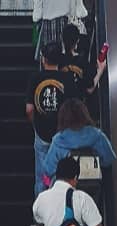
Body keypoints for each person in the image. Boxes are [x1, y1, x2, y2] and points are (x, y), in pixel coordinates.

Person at [25, 42, 79, 197]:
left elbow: (29, 109)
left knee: (42, 177)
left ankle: (41, 217)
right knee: (62, 177)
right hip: (62, 135)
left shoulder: (36, 78)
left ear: (44, 59)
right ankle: (59, 213)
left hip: (41, 134)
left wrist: (36, 125)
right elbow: (75, 108)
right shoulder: (68, 79)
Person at [42, 99, 117, 184]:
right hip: (93, 189)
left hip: (65, 189)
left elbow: (48, 169)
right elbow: (108, 160)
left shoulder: (59, 139)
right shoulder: (98, 135)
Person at [61, 23, 105, 101]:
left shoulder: (58, 61)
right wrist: (100, 70)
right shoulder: (83, 62)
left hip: (62, 109)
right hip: (79, 108)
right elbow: (89, 89)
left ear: (62, 40)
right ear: (77, 40)